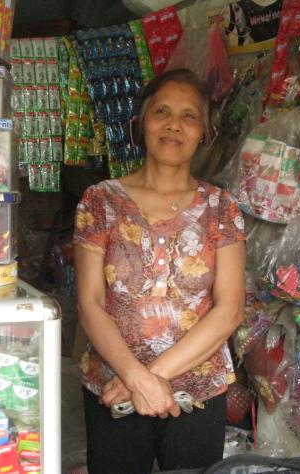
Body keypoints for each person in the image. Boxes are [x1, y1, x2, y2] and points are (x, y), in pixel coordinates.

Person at [73, 68, 246, 474]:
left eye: (189, 116)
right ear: (142, 123)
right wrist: (134, 378)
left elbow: (230, 310)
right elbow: (89, 302)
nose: (174, 125)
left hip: (196, 393)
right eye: (162, 112)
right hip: (112, 388)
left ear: (203, 132)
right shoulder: (100, 201)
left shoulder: (221, 208)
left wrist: (146, 379)